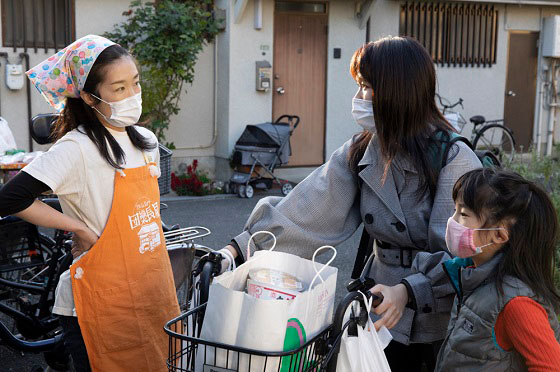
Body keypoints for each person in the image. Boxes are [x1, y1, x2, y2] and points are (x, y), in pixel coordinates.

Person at [219, 36, 481, 371]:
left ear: (397, 92)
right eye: (359, 87)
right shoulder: (363, 149)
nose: (359, 99)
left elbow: (460, 256)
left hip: (434, 313)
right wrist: (240, 249)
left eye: (367, 88)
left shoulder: (454, 158)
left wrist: (409, 290)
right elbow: (309, 209)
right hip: (374, 303)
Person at [0, 35, 179, 371]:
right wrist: (77, 227)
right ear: (89, 96)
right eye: (119, 88)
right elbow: (10, 198)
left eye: (135, 84)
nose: (132, 96)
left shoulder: (146, 142)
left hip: (149, 290)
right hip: (99, 300)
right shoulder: (77, 148)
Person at [436, 168, 560, 370]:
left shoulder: (517, 303)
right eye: (454, 210)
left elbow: (551, 366)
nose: (452, 222)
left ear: (499, 236)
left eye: (464, 213)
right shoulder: (472, 273)